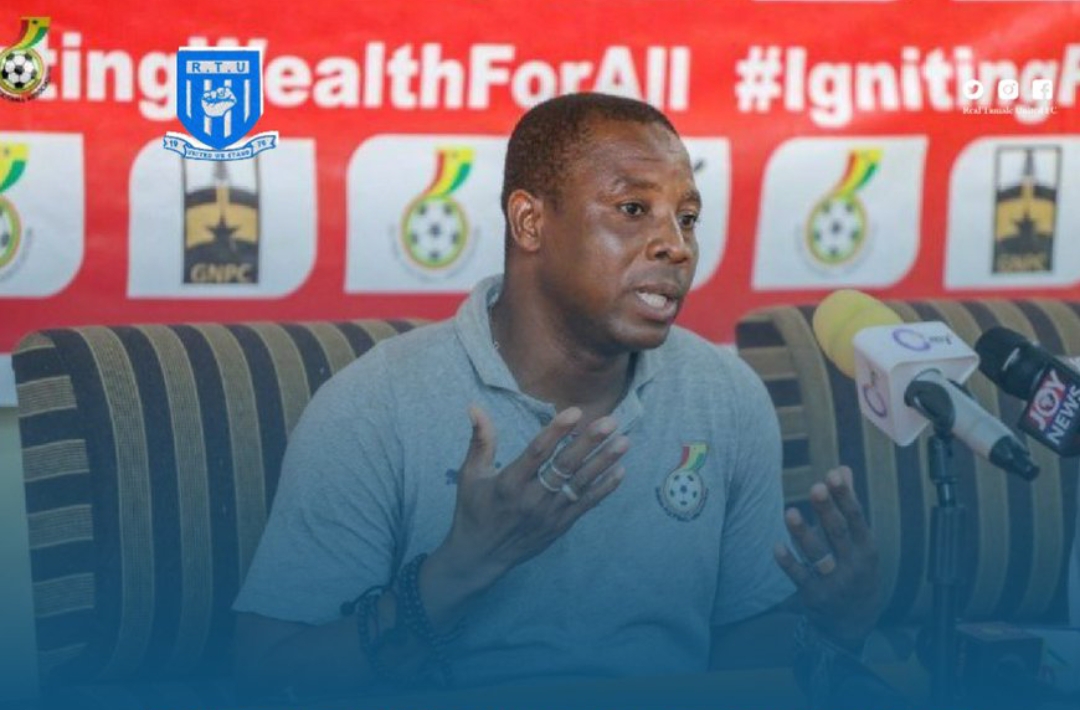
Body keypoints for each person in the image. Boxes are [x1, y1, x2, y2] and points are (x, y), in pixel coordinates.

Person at [232, 92, 881, 702]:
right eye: (633, 210)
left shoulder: (725, 394)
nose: (677, 247)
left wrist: (831, 630)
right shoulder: (375, 404)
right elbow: (268, 673)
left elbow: (741, 656)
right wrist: (460, 570)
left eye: (687, 218)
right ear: (530, 222)